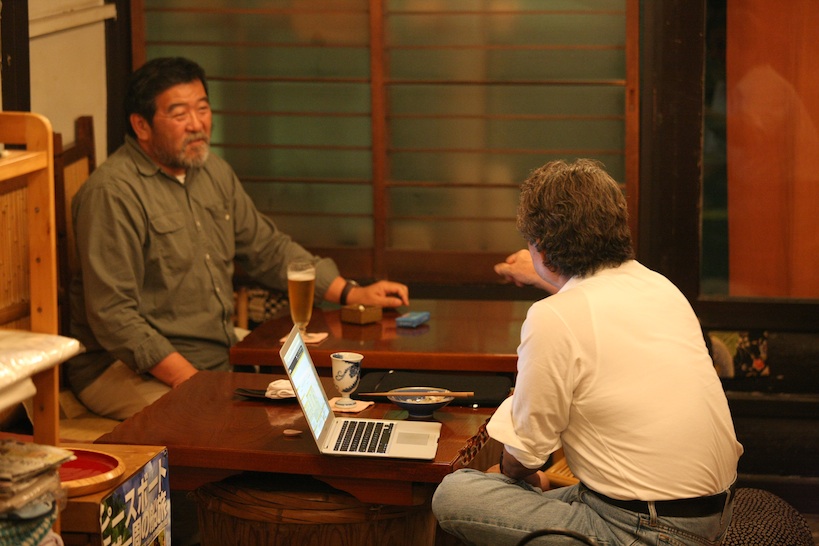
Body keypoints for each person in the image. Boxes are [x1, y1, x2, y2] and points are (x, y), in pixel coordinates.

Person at [65, 57, 409, 420]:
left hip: (213, 350)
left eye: (202, 108)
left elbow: (267, 248)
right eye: (180, 114)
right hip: (126, 367)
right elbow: (114, 315)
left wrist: (352, 293)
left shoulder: (211, 170)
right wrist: (191, 380)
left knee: (322, 399)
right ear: (141, 126)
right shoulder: (112, 193)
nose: (197, 124)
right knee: (220, 422)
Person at [432, 159, 743, 545]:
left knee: (455, 494)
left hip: (648, 529)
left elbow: (523, 457)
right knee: (527, 486)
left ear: (541, 249)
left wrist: (511, 475)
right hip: (712, 512)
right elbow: (593, 307)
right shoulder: (659, 287)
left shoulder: (553, 317)